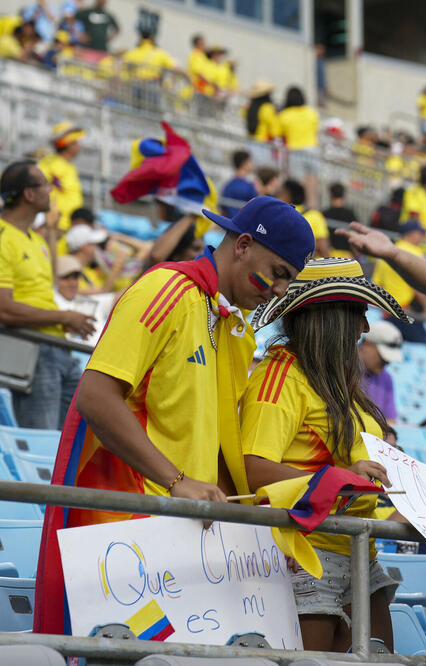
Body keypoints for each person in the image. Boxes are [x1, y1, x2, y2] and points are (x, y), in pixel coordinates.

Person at [34, 196, 315, 636]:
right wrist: (176, 481)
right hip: (123, 538)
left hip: (178, 543)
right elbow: (96, 397)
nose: (280, 289)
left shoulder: (231, 325)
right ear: (242, 245)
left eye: (289, 280)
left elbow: (217, 449)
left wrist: (258, 532)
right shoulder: (164, 289)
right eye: (279, 273)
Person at [240, 258, 408, 651]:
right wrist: (340, 478)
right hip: (306, 555)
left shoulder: (339, 386)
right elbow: (250, 468)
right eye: (357, 314)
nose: (364, 328)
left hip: (361, 553)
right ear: (329, 317)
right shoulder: (280, 376)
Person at [0, 160, 96, 429]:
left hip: (59, 349)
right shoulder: (3, 237)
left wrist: (63, 320)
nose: (52, 191)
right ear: (28, 195)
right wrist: (64, 315)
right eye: (45, 184)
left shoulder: (37, 240)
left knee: (70, 442)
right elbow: (4, 309)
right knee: (42, 442)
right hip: (32, 352)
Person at [38, 122, 85, 231]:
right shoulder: (49, 164)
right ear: (67, 144)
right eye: (75, 142)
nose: (78, 145)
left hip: (69, 226)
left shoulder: (70, 167)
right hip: (55, 226)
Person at [359, 320, 403, 423]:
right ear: (367, 345)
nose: (387, 362)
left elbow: (390, 421)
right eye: (383, 357)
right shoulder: (342, 370)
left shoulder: (386, 378)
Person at [278, 178, 329, 258]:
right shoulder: (315, 215)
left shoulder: (278, 213)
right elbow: (324, 249)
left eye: (279, 193)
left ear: (286, 195)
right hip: (308, 268)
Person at [278, 86, 320, 151]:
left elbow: (278, 133)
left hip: (294, 150)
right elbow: (316, 129)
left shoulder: (284, 115)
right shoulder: (311, 112)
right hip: (312, 148)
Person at [221, 150, 257, 217]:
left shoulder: (228, 185)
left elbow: (224, 209)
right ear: (244, 163)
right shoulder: (249, 186)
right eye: (250, 161)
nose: (252, 164)